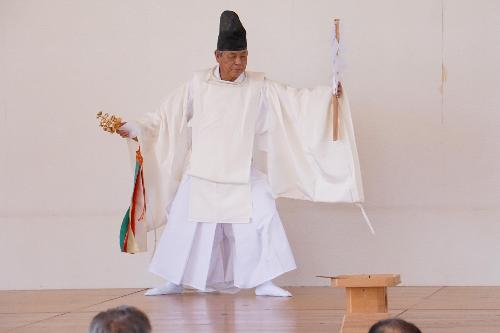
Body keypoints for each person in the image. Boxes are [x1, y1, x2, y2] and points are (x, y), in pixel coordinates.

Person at [117, 10, 363, 297]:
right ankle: (173, 280)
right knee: (185, 224)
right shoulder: (197, 84)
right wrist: (139, 127)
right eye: (233, 56)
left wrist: (327, 95)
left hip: (241, 171)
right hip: (202, 172)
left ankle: (265, 281)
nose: (239, 62)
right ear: (217, 55)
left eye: (244, 55)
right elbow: (165, 116)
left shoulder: (259, 86)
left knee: (263, 215)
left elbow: (295, 103)